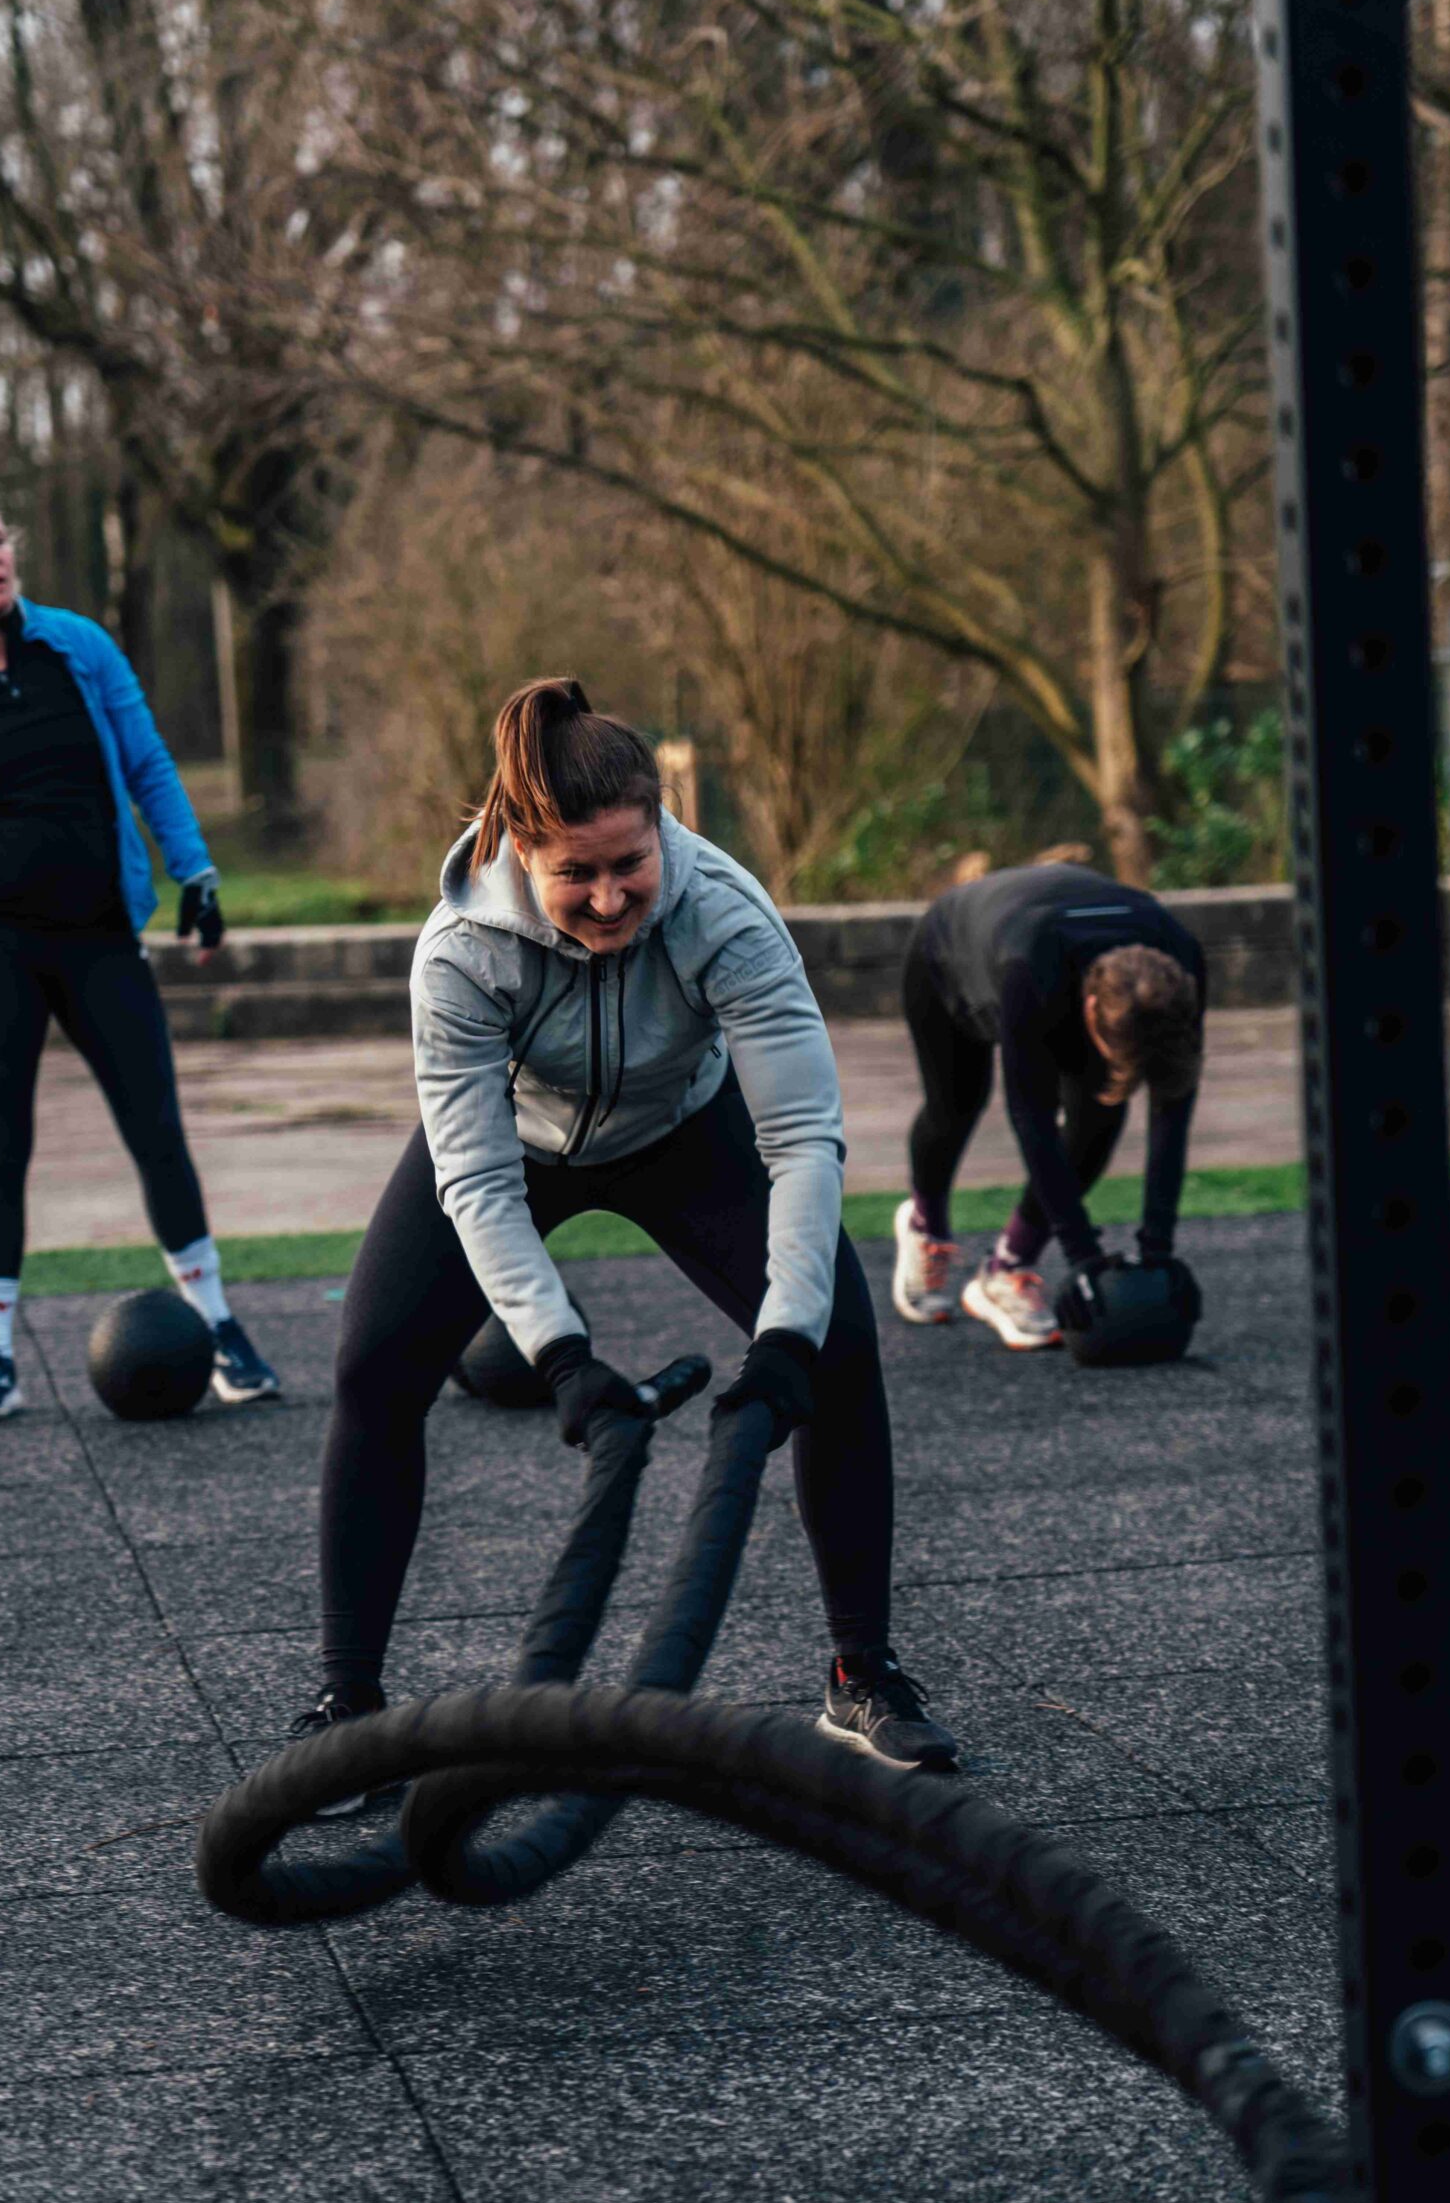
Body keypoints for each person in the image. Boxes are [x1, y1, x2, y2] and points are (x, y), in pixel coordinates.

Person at [292, 677, 957, 1793]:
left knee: (840, 1343)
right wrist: (561, 1355)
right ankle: (347, 1703)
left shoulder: (724, 911)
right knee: (372, 1368)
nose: (608, 898)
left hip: (684, 1127)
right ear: (521, 851)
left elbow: (801, 1139)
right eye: (576, 874)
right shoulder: (461, 948)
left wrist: (785, 1339)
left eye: (629, 864)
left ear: (662, 828)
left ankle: (862, 1673)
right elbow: (475, 1178)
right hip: (519, 1136)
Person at [0, 486, 279, 1421]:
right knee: (1, 1154)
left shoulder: (79, 648)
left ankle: (220, 1325)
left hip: (97, 938)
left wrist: (195, 872)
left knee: (157, 1133)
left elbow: (148, 763)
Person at [890, 862, 1206, 1349]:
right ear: (1091, 1011)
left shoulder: (1183, 964)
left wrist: (1158, 1250)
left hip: (1054, 953)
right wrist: (1083, 1257)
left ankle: (1006, 1268)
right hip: (950, 952)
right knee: (956, 1105)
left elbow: (1173, 1107)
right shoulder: (1031, 972)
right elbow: (1030, 1118)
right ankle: (924, 1225)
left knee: (1099, 1115)